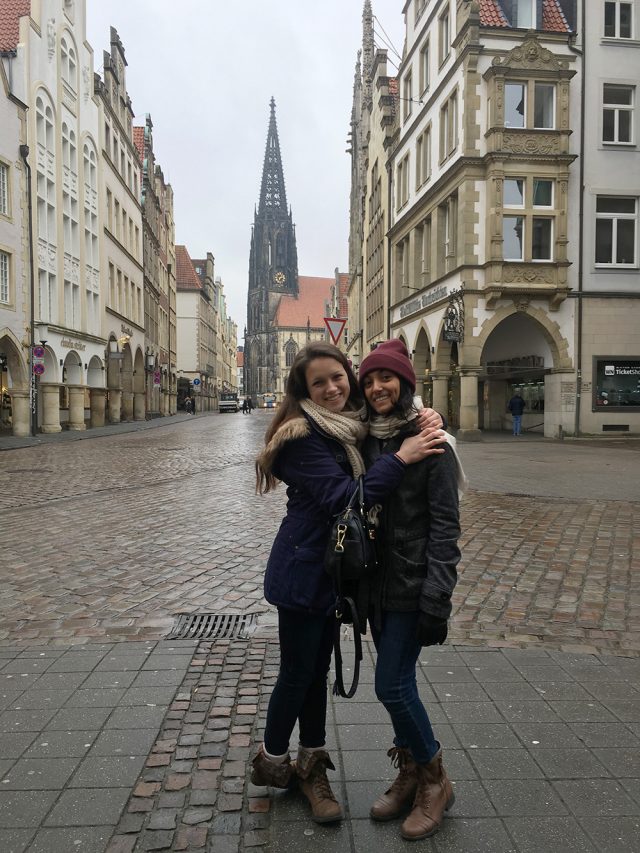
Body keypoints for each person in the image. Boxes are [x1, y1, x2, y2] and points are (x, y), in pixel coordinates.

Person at [252, 341, 447, 824]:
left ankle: (313, 765)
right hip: (302, 571)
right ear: (305, 392)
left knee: (317, 670)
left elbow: (394, 407)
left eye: (339, 377)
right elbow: (346, 496)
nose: (332, 387)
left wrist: (426, 414)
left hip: (338, 571)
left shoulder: (353, 423)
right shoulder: (300, 436)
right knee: (299, 674)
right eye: (319, 382)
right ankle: (274, 763)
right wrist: (401, 458)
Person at [358, 339, 462, 841]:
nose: (378, 387)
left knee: (391, 685)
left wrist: (437, 597)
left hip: (413, 584)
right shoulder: (366, 436)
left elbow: (445, 526)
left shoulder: (432, 441)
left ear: (405, 383)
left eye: (387, 378)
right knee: (400, 684)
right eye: (371, 379)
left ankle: (434, 778)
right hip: (376, 584)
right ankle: (410, 771)